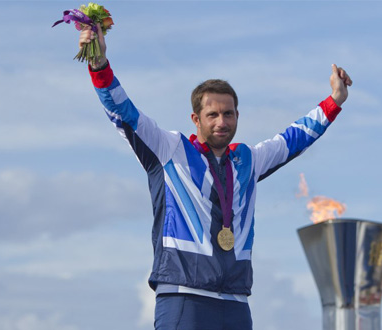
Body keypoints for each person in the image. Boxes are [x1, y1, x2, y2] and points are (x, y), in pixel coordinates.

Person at [78, 24, 352, 330]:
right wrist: (99, 65)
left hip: (235, 302)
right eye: (213, 115)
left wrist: (334, 101)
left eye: (229, 113)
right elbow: (123, 112)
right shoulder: (170, 150)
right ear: (196, 119)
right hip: (184, 297)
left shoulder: (248, 160)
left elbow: (294, 138)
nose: (222, 121)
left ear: (237, 115)